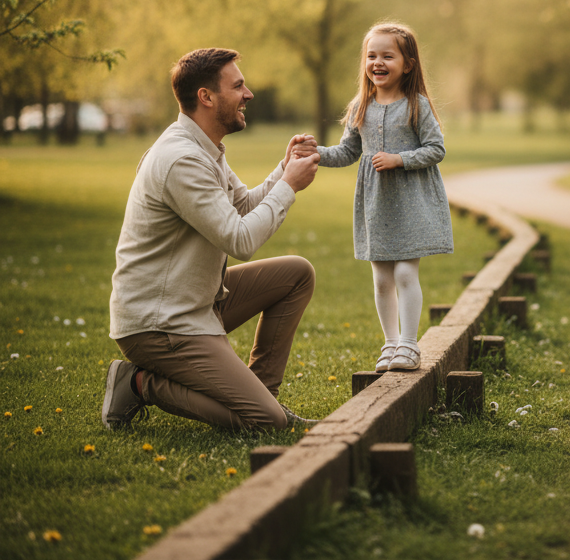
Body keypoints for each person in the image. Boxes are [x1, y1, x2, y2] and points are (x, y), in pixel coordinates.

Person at [104, 48, 321, 431]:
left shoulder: (205, 148)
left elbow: (241, 205)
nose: (248, 94)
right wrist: (288, 187)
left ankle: (261, 397)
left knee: (296, 274)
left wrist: (282, 170)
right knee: (265, 422)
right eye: (238, 86)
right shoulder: (181, 160)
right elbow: (239, 239)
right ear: (206, 97)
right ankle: (138, 383)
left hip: (197, 300)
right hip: (160, 324)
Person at [297, 22, 453, 374]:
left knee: (404, 274)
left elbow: (436, 149)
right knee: (381, 278)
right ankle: (391, 342)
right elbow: (348, 151)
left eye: (387, 55)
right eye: (371, 56)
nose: (377, 62)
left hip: (411, 201)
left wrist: (401, 159)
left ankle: (410, 345)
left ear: (407, 64)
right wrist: (315, 153)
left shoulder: (417, 105)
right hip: (375, 205)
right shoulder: (360, 105)